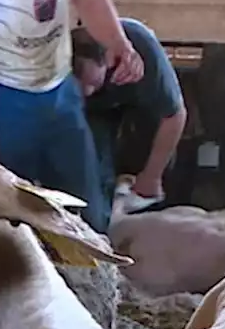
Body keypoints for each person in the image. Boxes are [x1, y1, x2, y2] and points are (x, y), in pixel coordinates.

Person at [0, 0, 143, 233]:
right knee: (5, 220)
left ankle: (88, 266)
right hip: (3, 97)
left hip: (59, 87)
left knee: (87, 214)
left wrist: (117, 41)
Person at [73, 18, 186, 219]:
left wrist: (151, 176)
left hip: (139, 94)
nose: (88, 92)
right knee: (93, 169)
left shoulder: (144, 52)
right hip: (95, 110)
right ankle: (99, 223)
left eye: (92, 82)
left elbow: (174, 116)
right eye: (81, 87)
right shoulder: (57, 59)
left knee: (154, 159)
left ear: (108, 57)